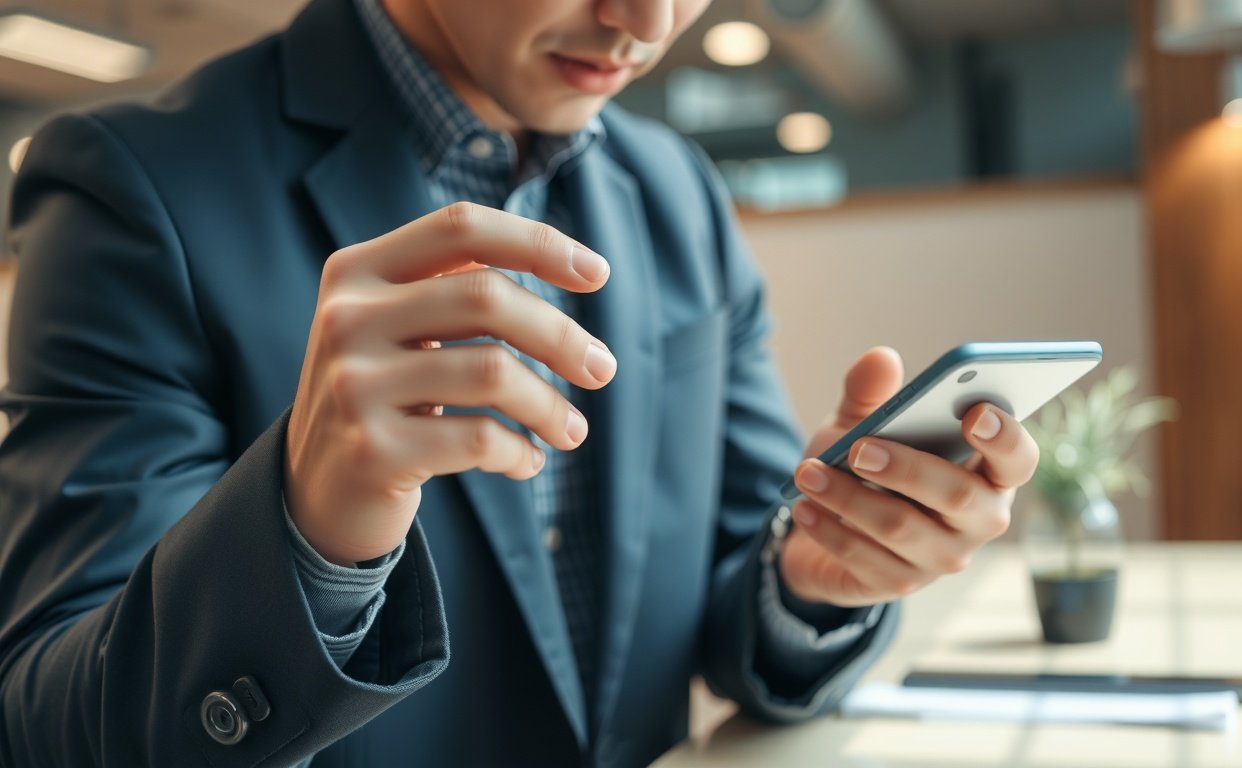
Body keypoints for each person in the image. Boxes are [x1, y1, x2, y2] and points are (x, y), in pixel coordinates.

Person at [0, 0, 1037, 765]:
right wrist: (305, 536)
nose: (648, 21)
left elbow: (737, 583)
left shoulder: (678, 193)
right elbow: (46, 720)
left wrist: (817, 577)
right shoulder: (132, 187)